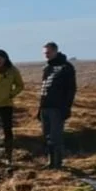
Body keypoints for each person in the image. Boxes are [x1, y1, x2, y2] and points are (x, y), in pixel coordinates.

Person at [37, 41, 77, 169]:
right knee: (47, 136)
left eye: (48, 53)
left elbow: (71, 89)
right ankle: (50, 162)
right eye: (44, 53)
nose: (46, 55)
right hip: (45, 107)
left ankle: (58, 163)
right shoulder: (47, 68)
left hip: (57, 108)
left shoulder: (66, 67)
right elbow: (44, 90)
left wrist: (66, 108)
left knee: (56, 136)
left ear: (55, 51)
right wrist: (40, 109)